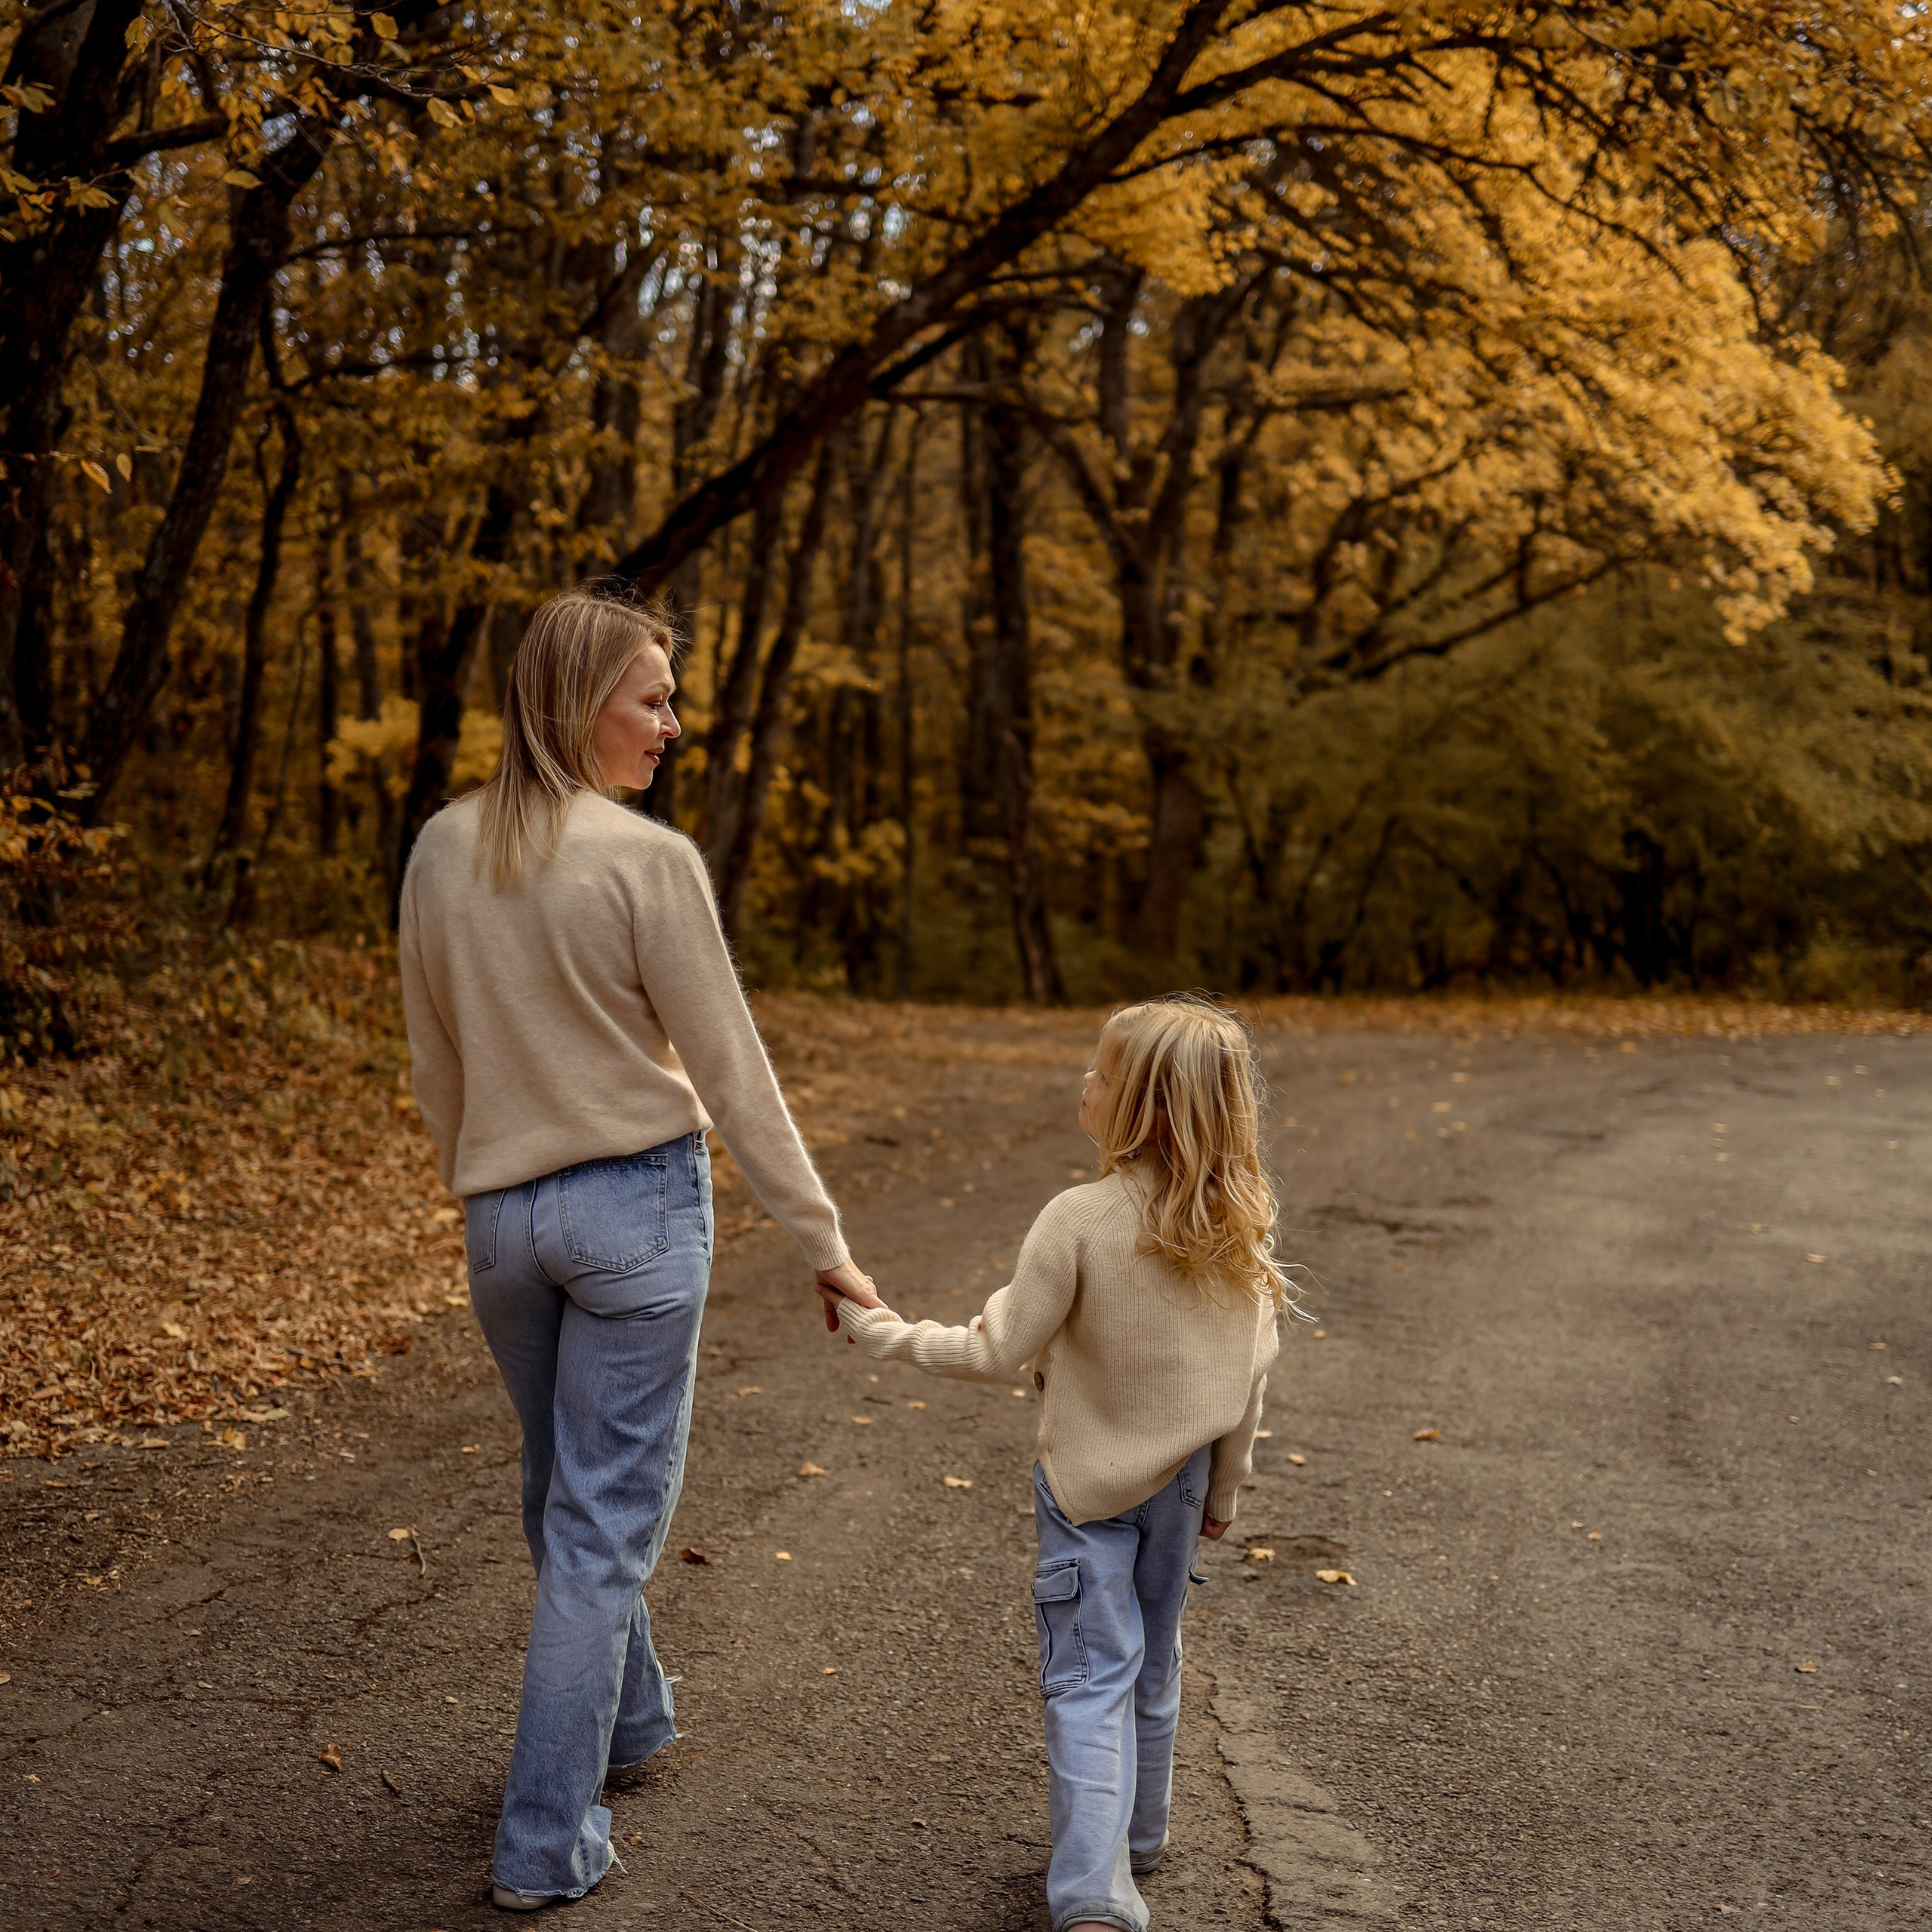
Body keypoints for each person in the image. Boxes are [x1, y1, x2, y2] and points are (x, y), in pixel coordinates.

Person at [398, 586, 878, 1912]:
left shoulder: (441, 850)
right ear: (578, 706)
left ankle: (630, 1721)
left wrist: (478, 1180)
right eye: (653, 698)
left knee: (564, 1483)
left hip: (502, 1218)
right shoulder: (644, 863)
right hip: (633, 1216)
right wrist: (824, 1240)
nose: (675, 722)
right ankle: (545, 1843)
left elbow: (433, 1055)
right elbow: (733, 1074)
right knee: (603, 1523)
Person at [823, 995, 1284, 1932]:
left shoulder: (1077, 1219)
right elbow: (1249, 1380)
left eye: (1102, 1072)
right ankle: (1139, 1840)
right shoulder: (1240, 1229)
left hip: (1083, 1494)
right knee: (1154, 1663)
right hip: (1186, 1484)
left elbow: (995, 1349)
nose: (1086, 1083)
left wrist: (880, 1331)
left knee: (1086, 1678)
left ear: (1141, 1108)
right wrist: (1225, 1491)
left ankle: (1088, 1895)